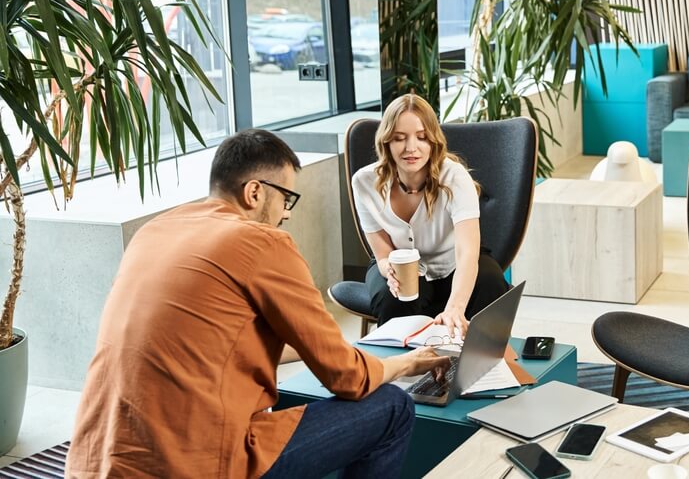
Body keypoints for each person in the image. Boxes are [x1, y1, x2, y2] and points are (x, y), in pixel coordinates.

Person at [66, 129, 449, 479]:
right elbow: (347, 380)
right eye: (287, 199)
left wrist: (328, 351)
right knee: (392, 407)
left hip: (93, 461)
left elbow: (211, 347)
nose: (285, 213)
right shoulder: (261, 242)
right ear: (254, 192)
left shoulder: (156, 231)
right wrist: (408, 362)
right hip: (193, 465)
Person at [344, 93, 508, 339]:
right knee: (394, 298)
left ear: (433, 141)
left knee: (490, 281)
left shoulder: (455, 177)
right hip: (398, 262)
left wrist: (455, 307)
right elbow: (382, 255)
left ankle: (473, 364)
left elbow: (467, 252)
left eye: (421, 137)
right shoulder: (364, 182)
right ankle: (398, 370)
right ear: (386, 142)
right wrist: (390, 270)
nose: (411, 148)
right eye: (399, 138)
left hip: (453, 259)